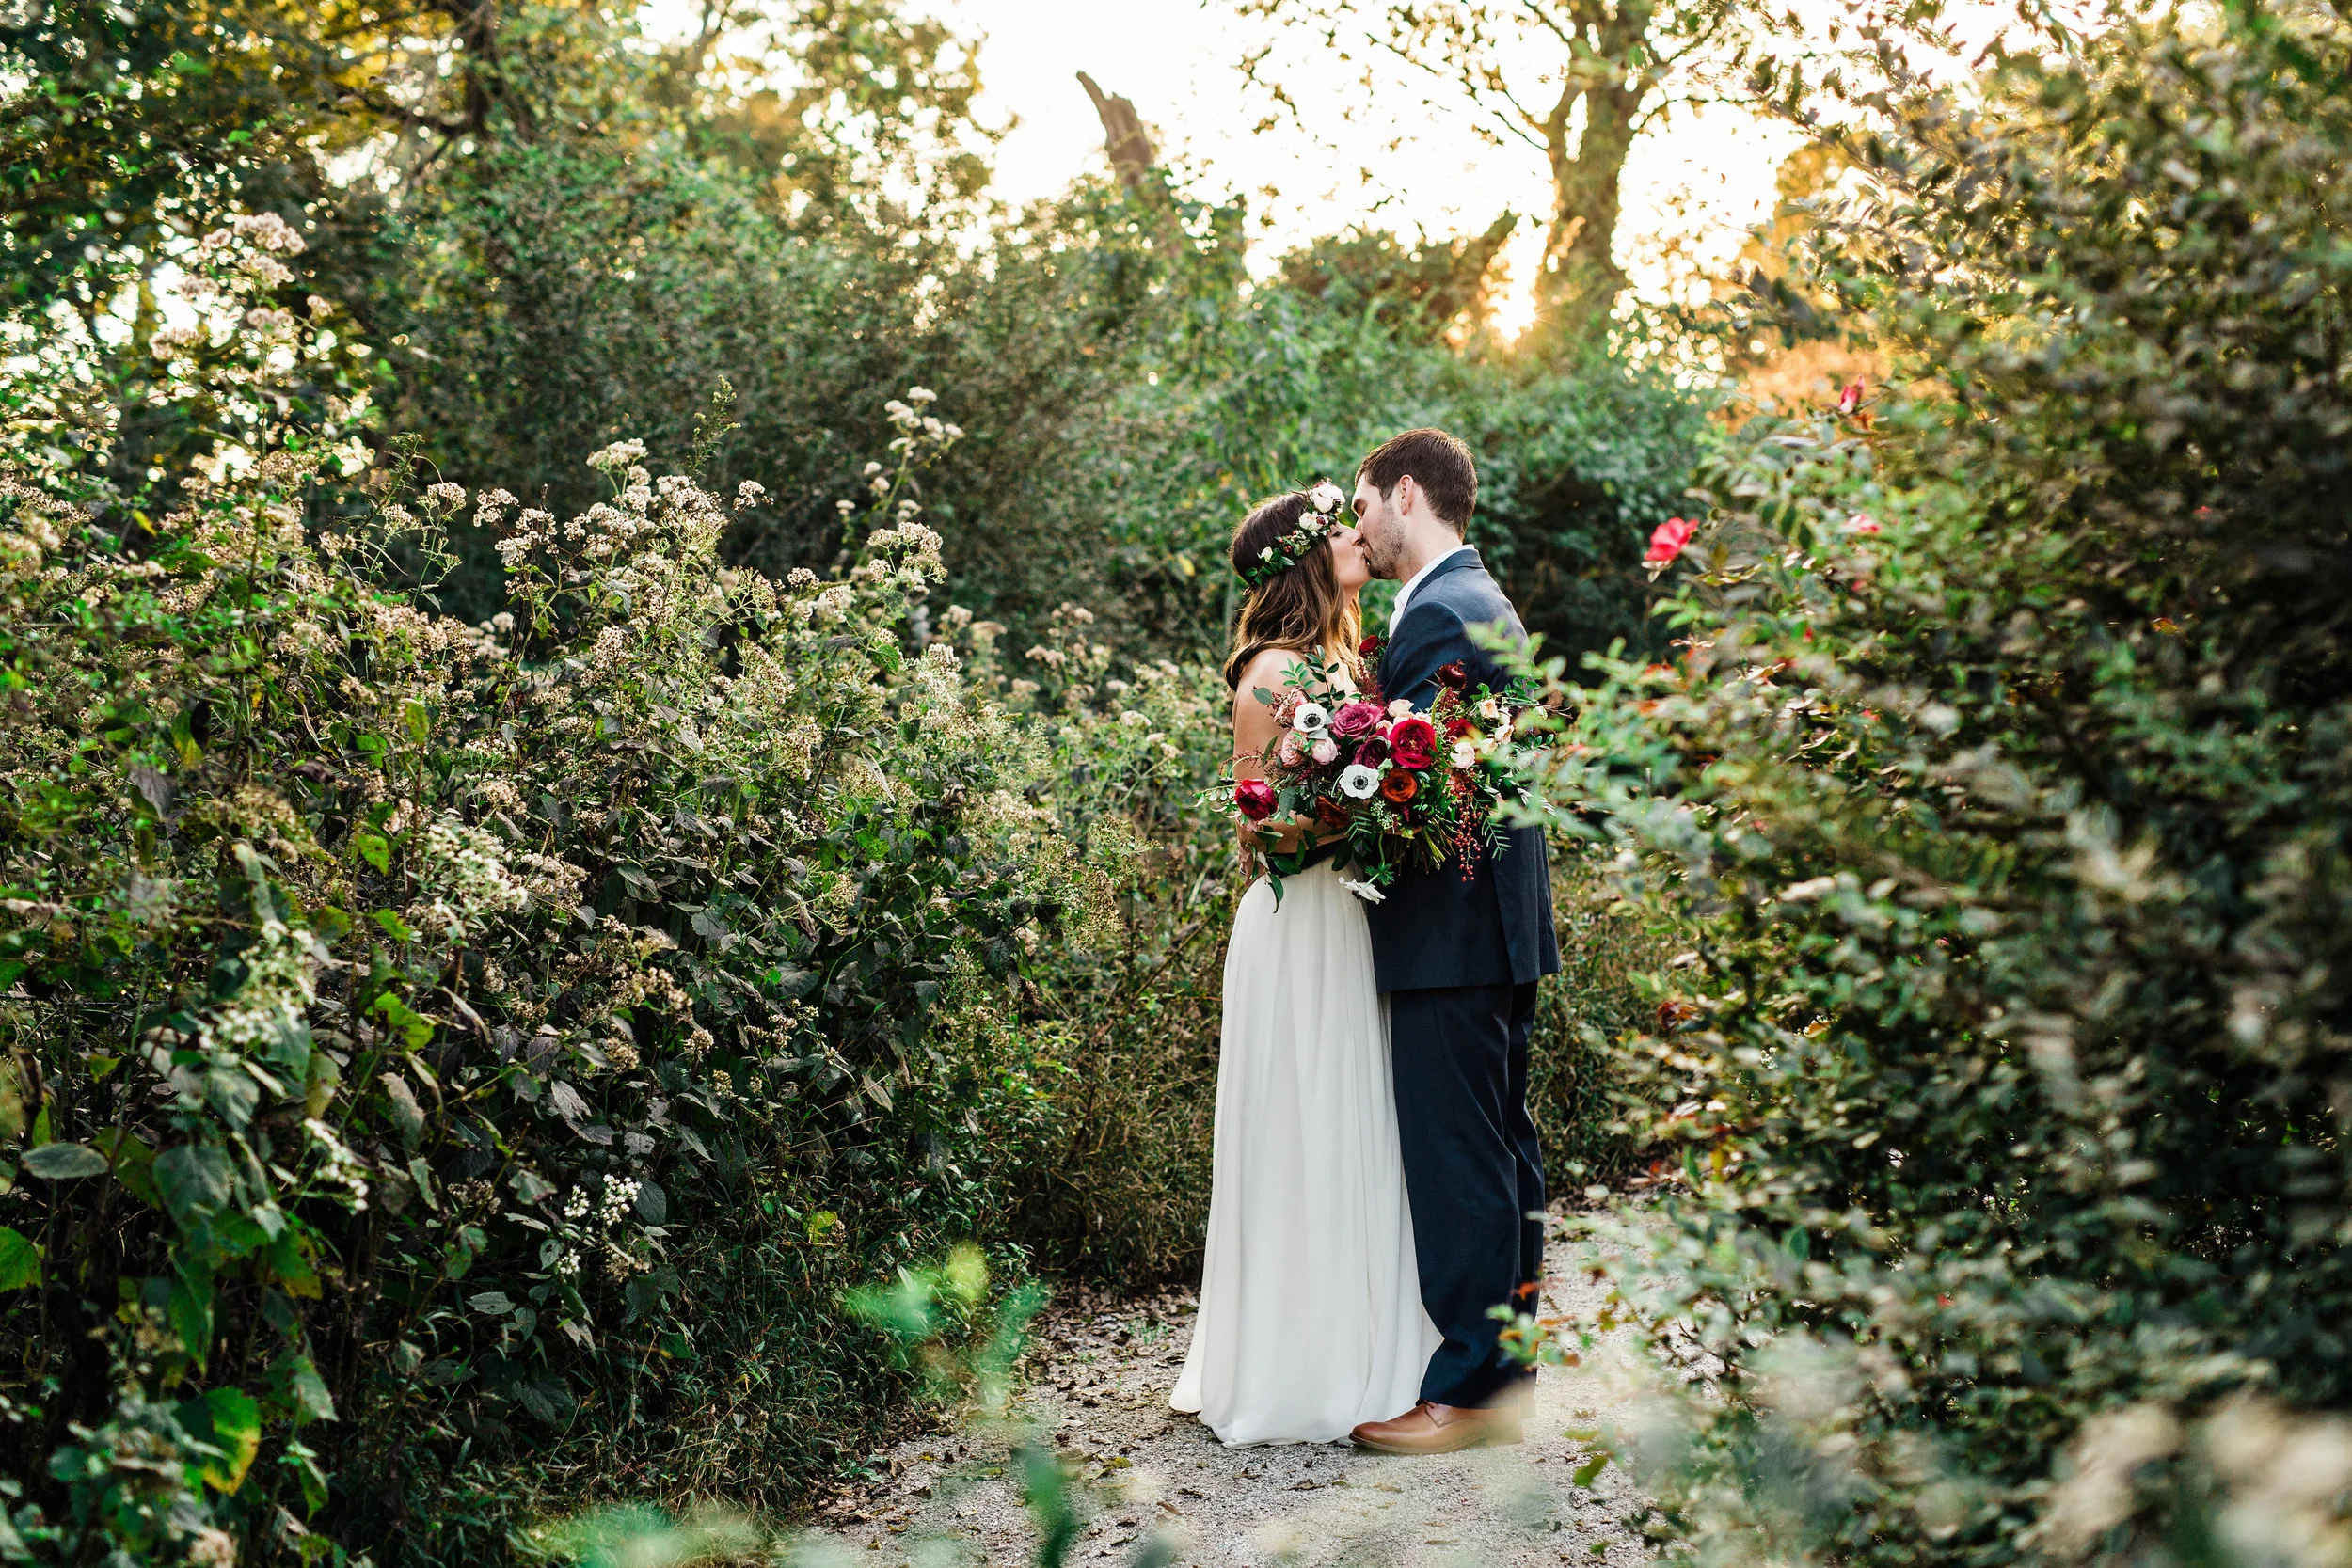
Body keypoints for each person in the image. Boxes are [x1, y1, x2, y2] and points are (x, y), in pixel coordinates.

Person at [1168, 488, 1441, 1445]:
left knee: (1357, 1126)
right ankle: (1299, 1367)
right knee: (1305, 1129)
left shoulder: (1346, 660)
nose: (1356, 533)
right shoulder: (1271, 672)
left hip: (1350, 917)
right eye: (1337, 527)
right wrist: (1355, 813)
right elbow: (1258, 829)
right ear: (1304, 557)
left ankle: (1367, 1346)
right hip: (1298, 925)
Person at [1345, 428, 1560, 1455]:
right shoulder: (1479, 597)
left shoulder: (1439, 611)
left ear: (1404, 493)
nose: (1359, 530)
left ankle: (1470, 1391)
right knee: (1502, 1149)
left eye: (1363, 507)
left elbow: (1420, 785)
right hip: (1492, 929)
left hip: (1453, 931)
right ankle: (1502, 1381)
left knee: (1460, 1156)